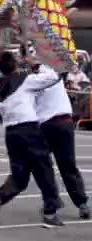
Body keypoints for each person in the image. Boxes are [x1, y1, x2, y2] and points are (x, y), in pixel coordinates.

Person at [0, 52, 63, 227]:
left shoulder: (1, 85)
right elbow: (53, 77)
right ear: (14, 65)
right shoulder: (25, 80)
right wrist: (39, 63)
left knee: (20, 175)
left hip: (11, 133)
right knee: (44, 169)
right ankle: (50, 212)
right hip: (28, 129)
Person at [33, 61, 90, 219]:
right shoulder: (50, 70)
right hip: (63, 123)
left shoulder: (38, 75)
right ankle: (82, 203)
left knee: (43, 166)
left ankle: (53, 203)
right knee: (67, 165)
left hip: (48, 124)